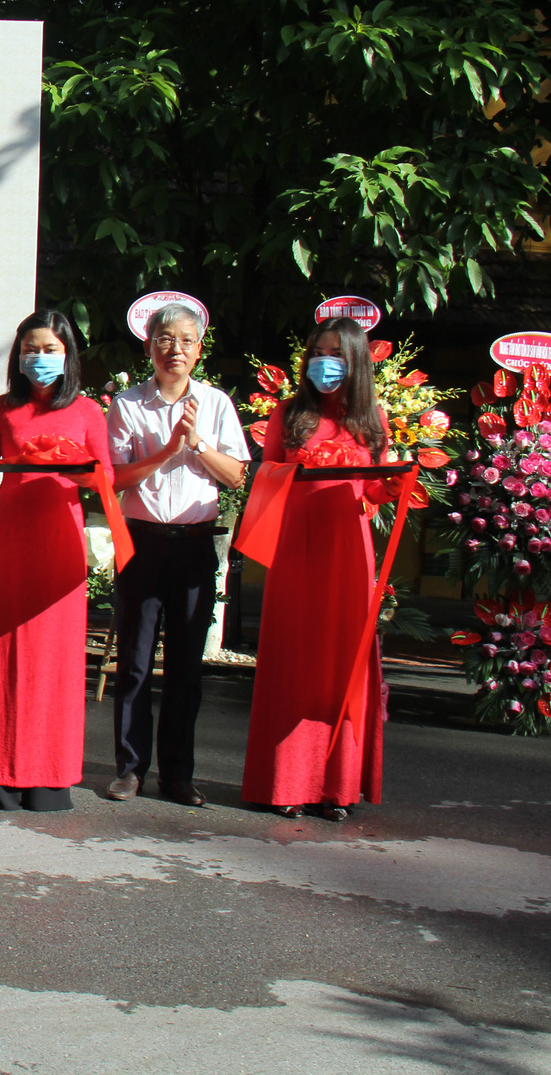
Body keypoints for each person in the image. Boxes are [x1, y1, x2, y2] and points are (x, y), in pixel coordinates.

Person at [0, 310, 112, 812]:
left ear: (67, 356)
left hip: (60, 541)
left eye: (49, 350)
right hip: (9, 541)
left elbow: (104, 480)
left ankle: (49, 774)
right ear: (17, 357)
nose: (38, 359)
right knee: (1, 653)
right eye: (29, 350)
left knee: (54, 659)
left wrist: (77, 468)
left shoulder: (87, 412)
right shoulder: (2, 409)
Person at [242, 316, 390, 821]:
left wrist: (393, 484)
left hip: (348, 554)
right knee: (293, 660)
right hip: (296, 551)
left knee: (338, 667)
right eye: (317, 353)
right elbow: (263, 478)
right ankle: (284, 781)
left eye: (336, 354)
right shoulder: (288, 414)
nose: (324, 363)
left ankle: (334, 786)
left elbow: (372, 492)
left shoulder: (372, 420)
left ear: (356, 363)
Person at [105, 302, 249, 806]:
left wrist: (198, 444)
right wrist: (166, 451)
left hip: (193, 547)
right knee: (136, 663)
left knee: (187, 666)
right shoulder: (127, 405)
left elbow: (236, 477)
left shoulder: (216, 404)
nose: (175, 350)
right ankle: (129, 768)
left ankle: (178, 774)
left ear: (199, 350)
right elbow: (114, 479)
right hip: (141, 543)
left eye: (186, 341)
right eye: (165, 340)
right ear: (149, 347)